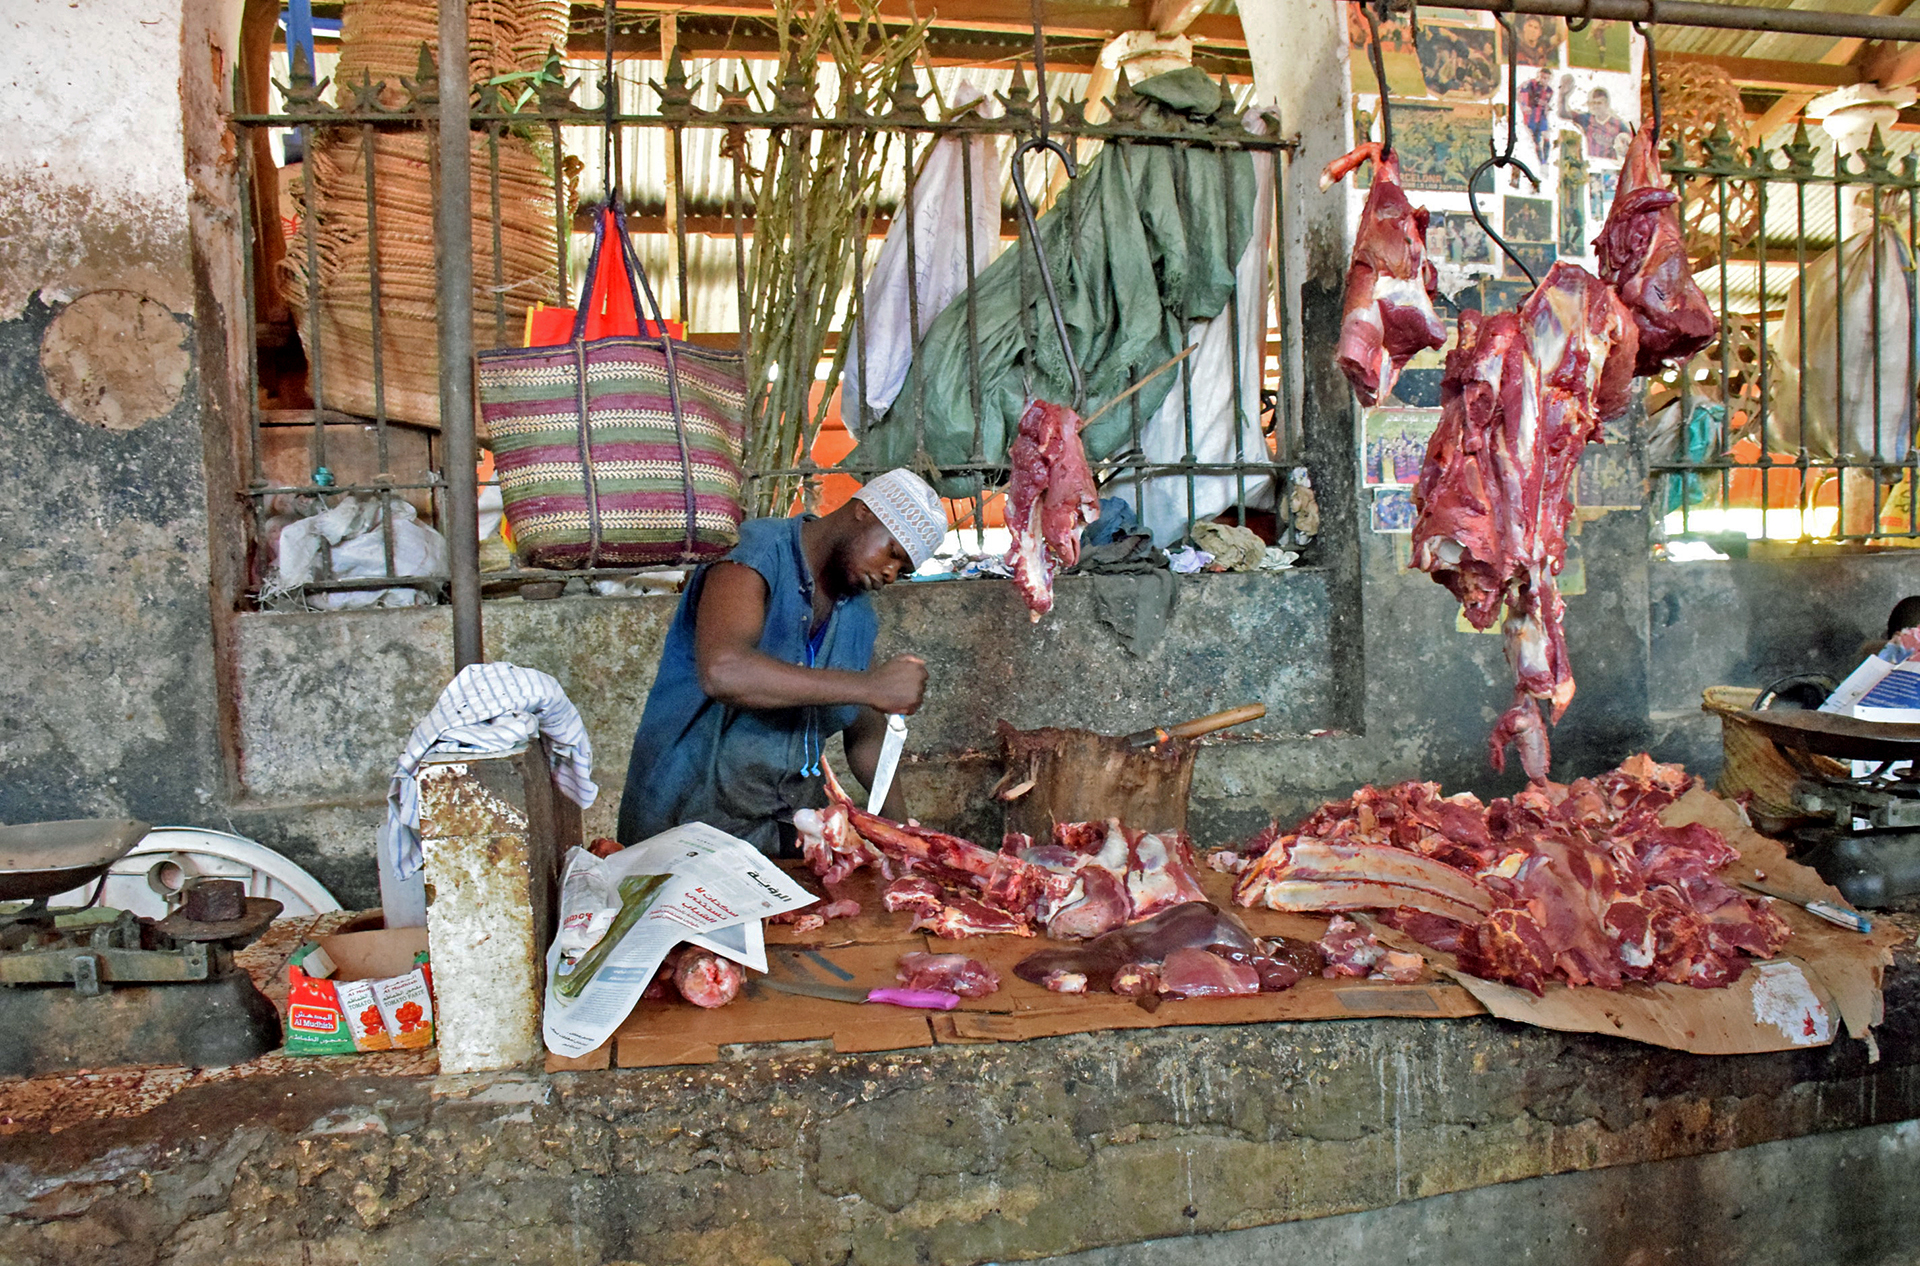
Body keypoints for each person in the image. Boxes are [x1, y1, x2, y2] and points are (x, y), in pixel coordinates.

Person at [615, 469, 947, 856]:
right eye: (892, 552)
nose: (890, 573)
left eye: (903, 570)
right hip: (686, 824)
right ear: (864, 511)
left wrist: (906, 839)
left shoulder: (857, 615)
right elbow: (725, 671)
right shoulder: (755, 553)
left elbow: (866, 737)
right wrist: (871, 686)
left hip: (783, 832)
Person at [1558, 77, 1631, 161]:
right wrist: (1563, 96)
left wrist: (1624, 149)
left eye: (1599, 103)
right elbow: (1563, 114)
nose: (1595, 106)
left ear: (1607, 104)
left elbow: (1632, 142)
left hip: (1610, 167)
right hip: (1592, 164)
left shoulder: (1618, 124)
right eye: (1593, 103)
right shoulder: (1587, 119)